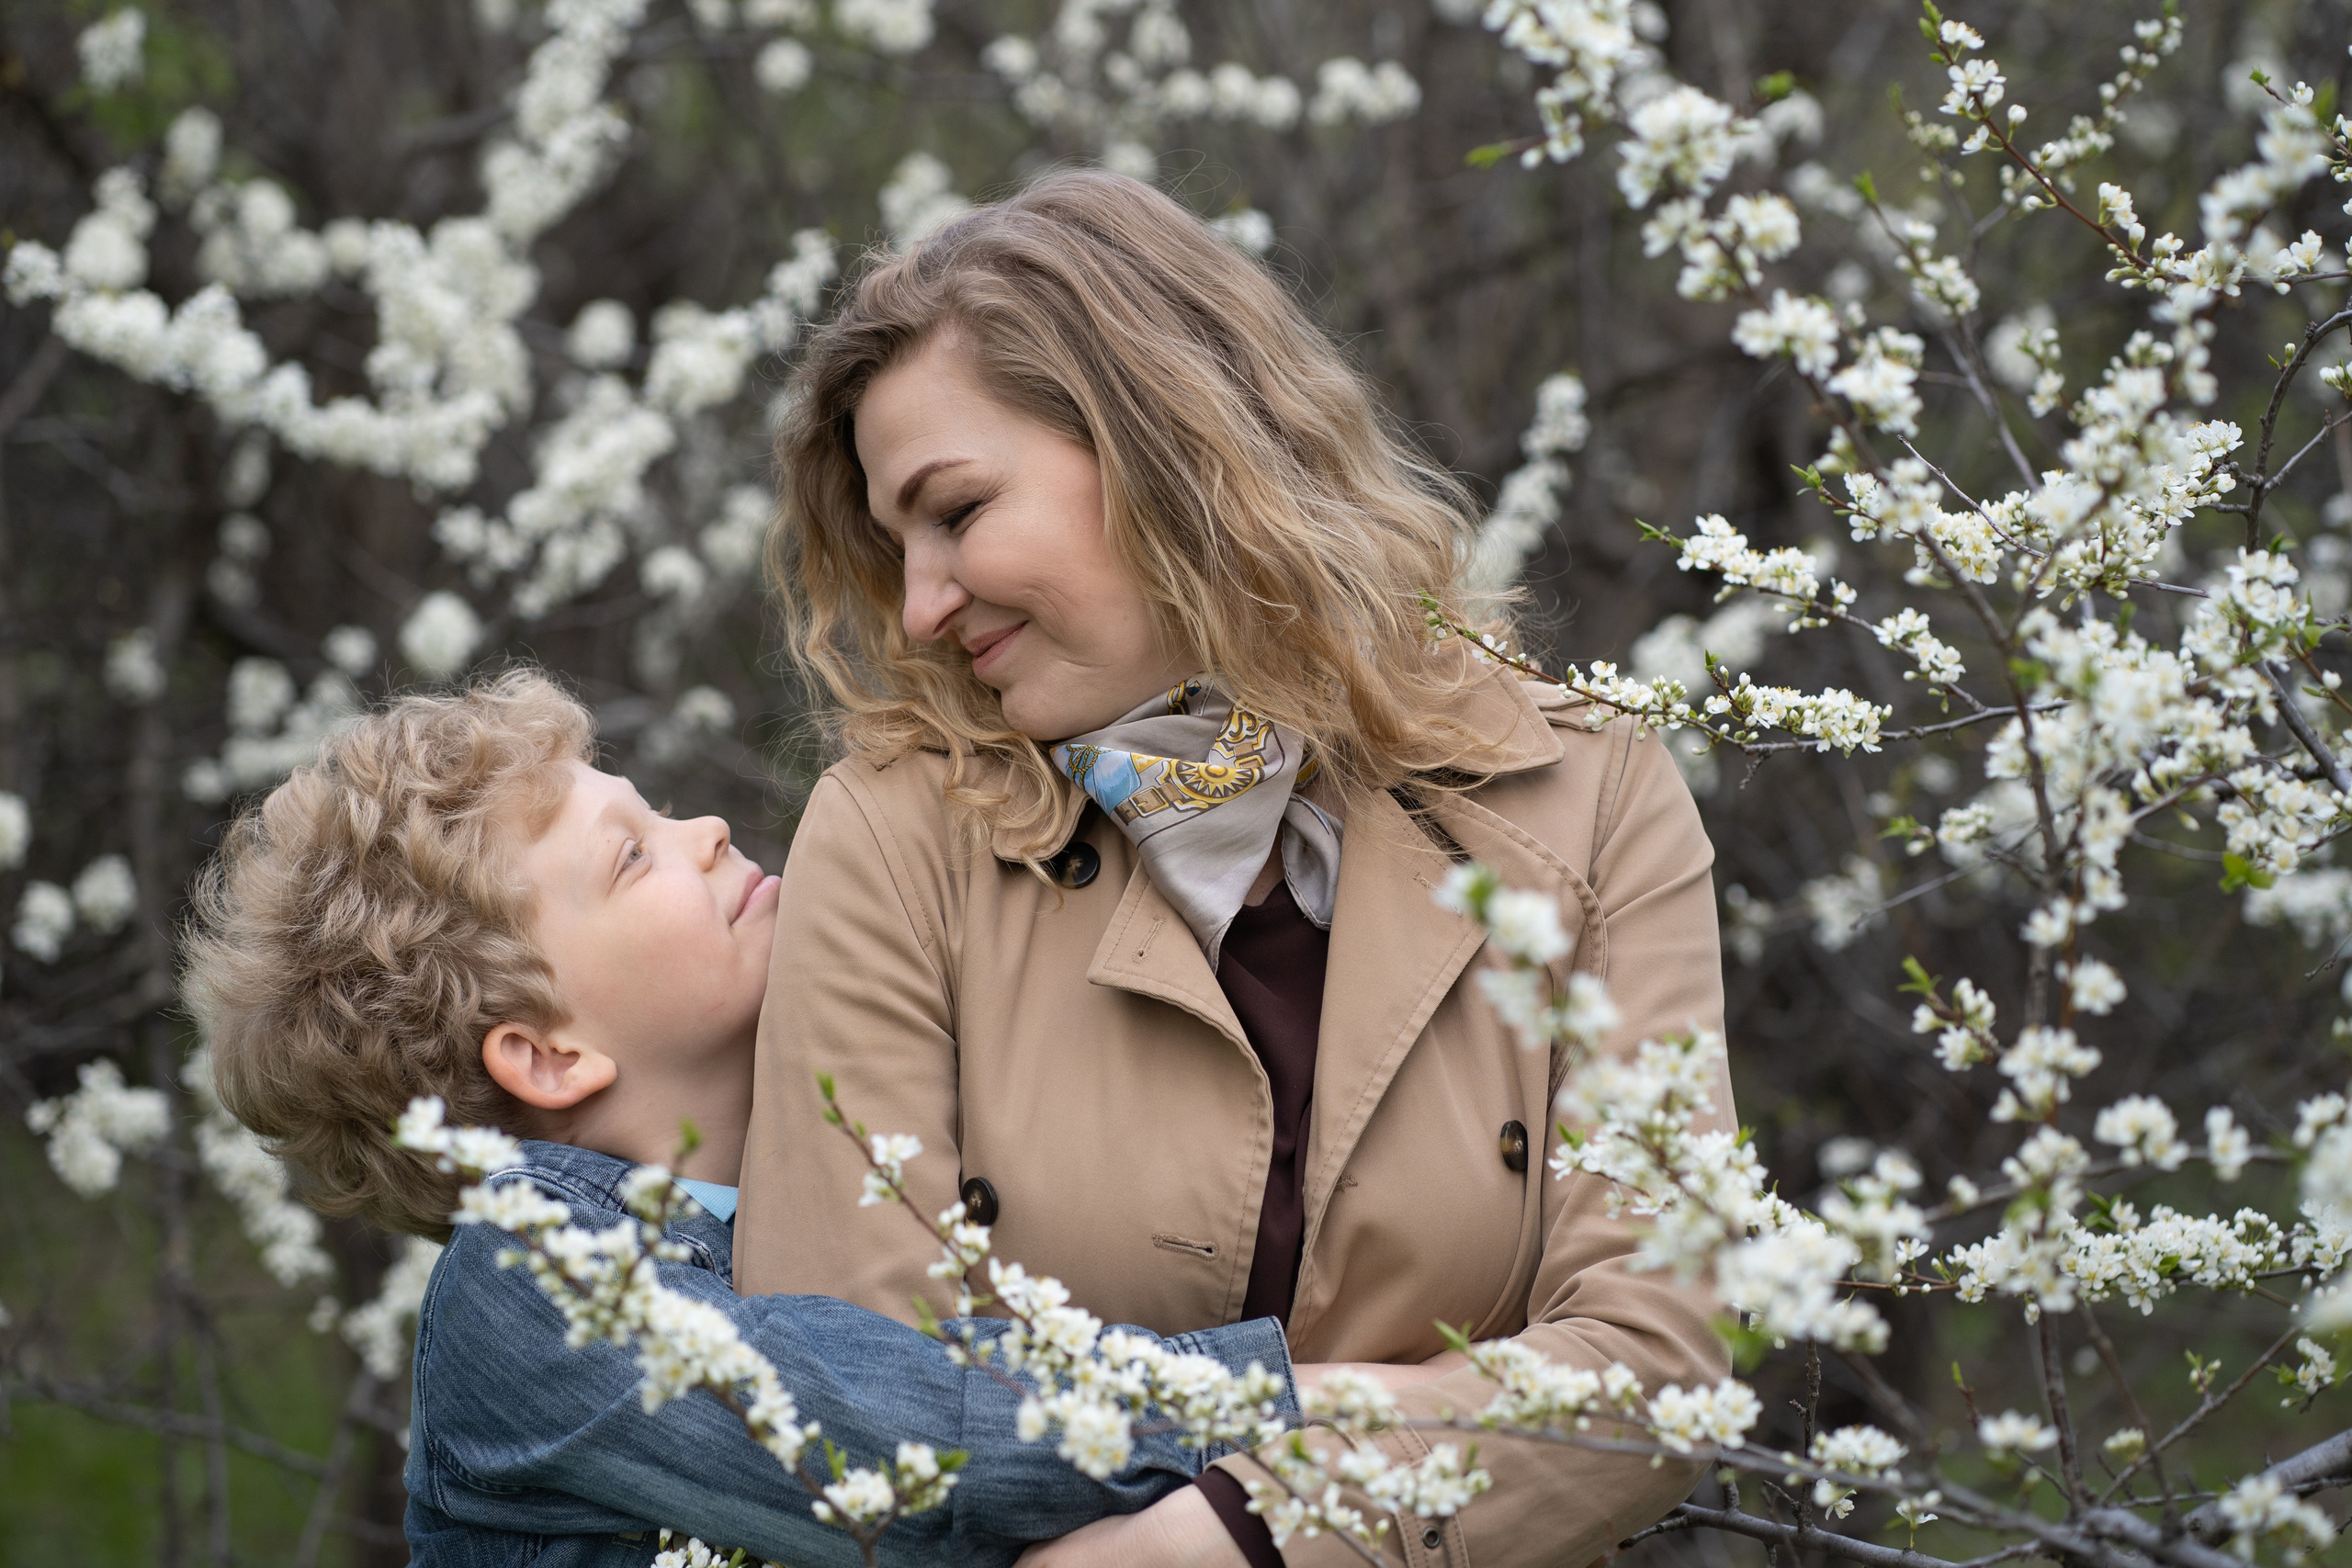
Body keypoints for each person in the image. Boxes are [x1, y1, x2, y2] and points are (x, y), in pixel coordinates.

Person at [741, 168, 1738, 1568]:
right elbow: (850, 1416)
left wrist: (1213, 1541)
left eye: (955, 511)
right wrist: (1401, 1414)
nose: (916, 606)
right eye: (894, 544)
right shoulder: (901, 841)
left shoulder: (1580, 795)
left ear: (1159, 440)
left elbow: (1661, 1354)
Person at [178, 670, 1324, 1568]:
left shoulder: (876, 1135)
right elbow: (922, 1450)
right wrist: (1319, 1401)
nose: (713, 827)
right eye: (634, 857)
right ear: (547, 1055)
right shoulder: (528, 1294)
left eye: (663, 811)